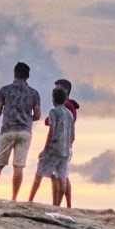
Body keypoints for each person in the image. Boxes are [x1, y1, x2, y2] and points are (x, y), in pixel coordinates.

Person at [0, 62, 41, 201]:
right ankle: (14, 198)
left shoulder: (5, 90)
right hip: (25, 131)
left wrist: (6, 111)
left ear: (14, 73)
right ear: (27, 76)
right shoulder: (34, 93)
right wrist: (28, 118)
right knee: (19, 165)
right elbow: (38, 115)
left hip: (8, 130)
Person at [29, 84, 73, 206]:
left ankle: (30, 199)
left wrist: (45, 149)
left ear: (53, 99)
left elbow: (51, 130)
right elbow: (71, 132)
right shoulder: (69, 114)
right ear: (65, 99)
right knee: (62, 176)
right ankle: (58, 204)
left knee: (40, 171)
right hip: (65, 149)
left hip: (54, 147)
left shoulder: (53, 111)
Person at [52, 78, 78, 207]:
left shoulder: (66, 106)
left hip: (61, 145)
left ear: (65, 90)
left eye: (58, 88)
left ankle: (56, 204)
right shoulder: (71, 106)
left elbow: (49, 121)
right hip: (67, 144)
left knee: (57, 176)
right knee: (64, 175)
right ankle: (67, 205)